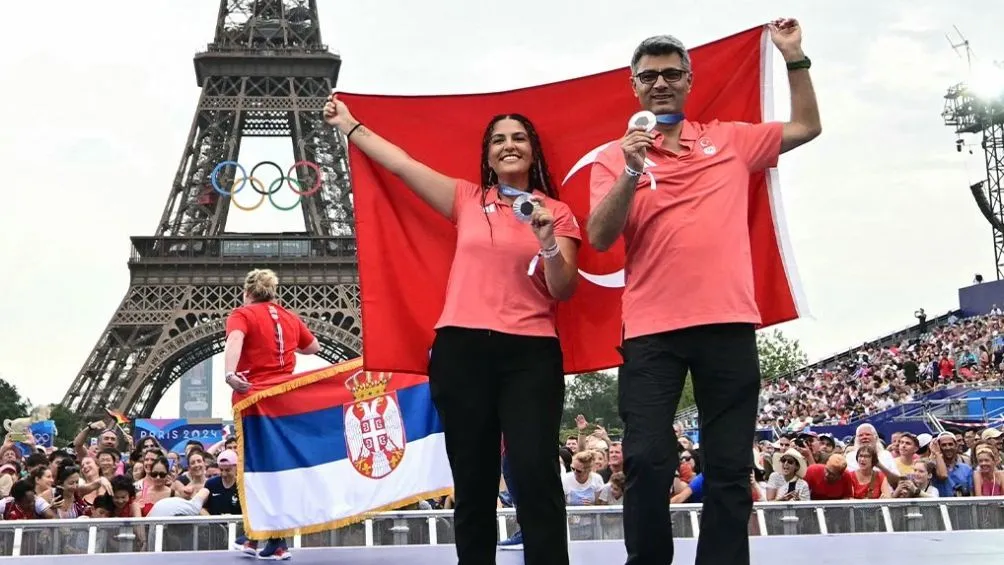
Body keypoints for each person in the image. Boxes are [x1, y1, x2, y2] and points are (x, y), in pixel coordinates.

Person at [585, 19, 821, 565]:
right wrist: (631, 170)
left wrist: (794, 56)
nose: (661, 83)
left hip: (727, 322)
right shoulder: (612, 157)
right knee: (645, 458)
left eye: (672, 74)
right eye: (649, 76)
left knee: (731, 465)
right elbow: (598, 236)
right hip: (651, 331)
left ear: (689, 81)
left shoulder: (731, 139)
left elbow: (807, 125)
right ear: (634, 86)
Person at [324, 94, 580, 565]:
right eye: (498, 140)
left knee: (535, 472)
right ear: (488, 156)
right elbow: (402, 166)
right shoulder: (467, 199)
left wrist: (547, 242)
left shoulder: (556, 212)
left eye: (519, 138)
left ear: (532, 151)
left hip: (530, 355)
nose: (509, 145)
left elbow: (563, 288)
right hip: (462, 351)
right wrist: (350, 126)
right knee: (473, 479)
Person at [223, 268, 321, 561]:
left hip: (255, 398)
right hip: (284, 398)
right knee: (277, 467)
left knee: (255, 467)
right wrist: (287, 347)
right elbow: (314, 347)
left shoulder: (242, 314)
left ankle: (259, 536)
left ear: (246, 292)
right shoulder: (290, 317)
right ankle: (271, 539)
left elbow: (235, 340)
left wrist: (230, 374)